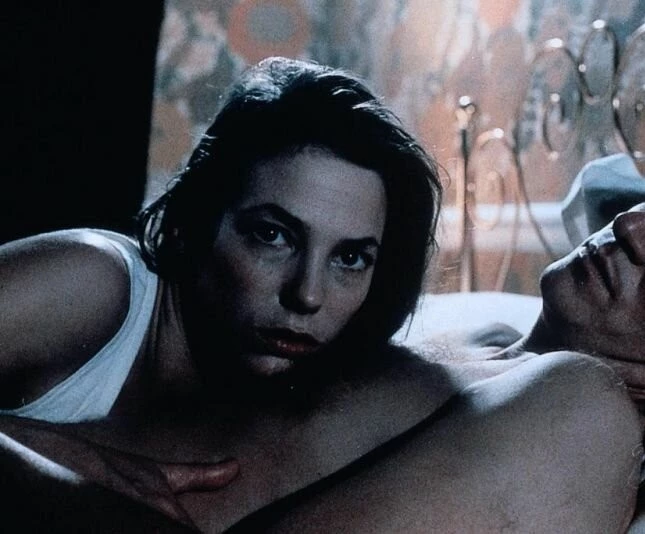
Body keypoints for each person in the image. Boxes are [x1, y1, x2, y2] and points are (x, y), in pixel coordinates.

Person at [0, 57, 640, 532]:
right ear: (200, 219)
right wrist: (61, 454)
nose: (308, 295)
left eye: (351, 257)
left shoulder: (579, 417)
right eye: (272, 234)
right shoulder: (101, 283)